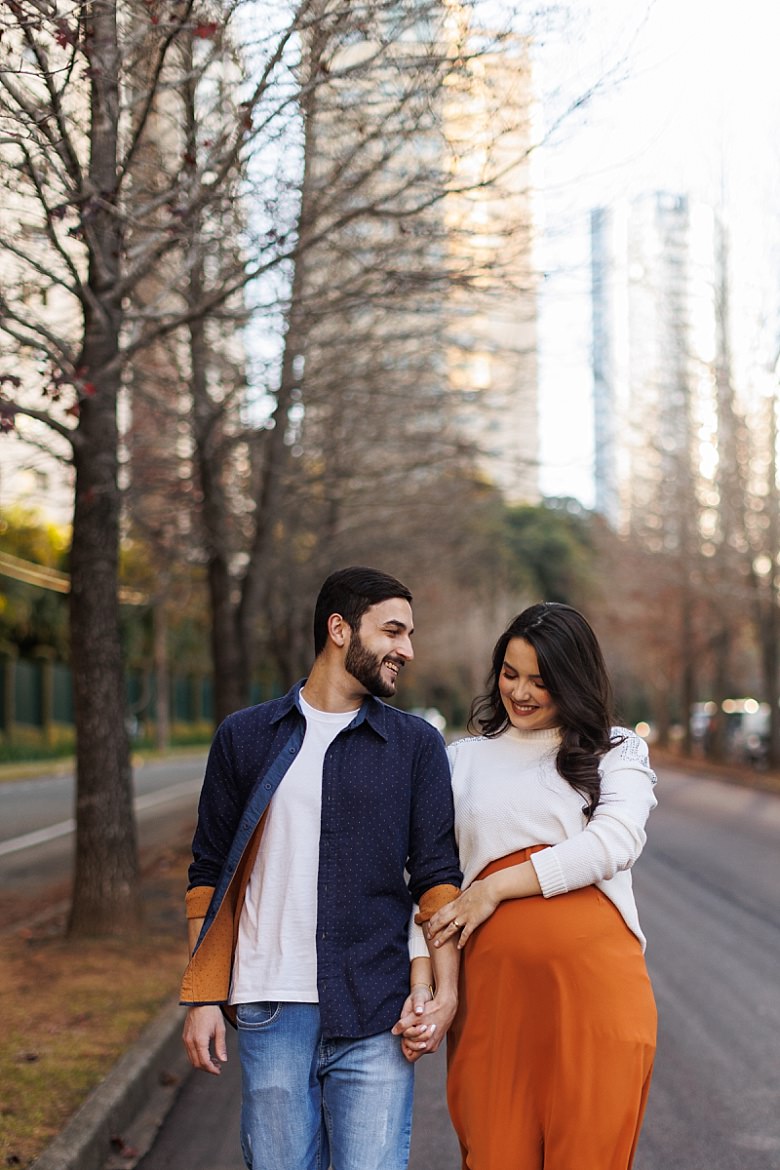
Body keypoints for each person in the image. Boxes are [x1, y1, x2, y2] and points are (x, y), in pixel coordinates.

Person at [180, 566, 461, 1170]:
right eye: (393, 631)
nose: (407, 650)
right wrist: (202, 996)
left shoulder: (415, 746)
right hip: (270, 1003)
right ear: (340, 629)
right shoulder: (245, 737)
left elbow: (437, 880)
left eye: (409, 635)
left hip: (378, 1011)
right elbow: (208, 872)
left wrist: (444, 993)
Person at [421, 602, 657, 1170]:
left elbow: (615, 841)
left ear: (573, 680)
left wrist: (495, 887)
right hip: (493, 1003)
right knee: (494, 1153)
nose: (520, 692)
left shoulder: (616, 750)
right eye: (510, 673)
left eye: (540, 680)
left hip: (597, 998)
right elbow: (428, 882)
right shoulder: (461, 761)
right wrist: (429, 983)